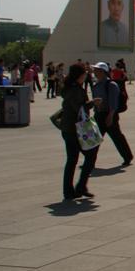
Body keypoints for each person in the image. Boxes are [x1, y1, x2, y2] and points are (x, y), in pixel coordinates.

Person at [60, 64, 101, 200]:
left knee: (73, 159)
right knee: (88, 156)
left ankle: (72, 189)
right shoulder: (75, 90)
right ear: (80, 75)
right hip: (76, 129)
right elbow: (78, 108)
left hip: (69, 128)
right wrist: (92, 103)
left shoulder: (71, 88)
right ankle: (78, 187)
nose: (86, 76)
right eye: (85, 73)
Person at [91, 62, 134, 166]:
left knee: (117, 137)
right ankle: (90, 161)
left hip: (109, 114)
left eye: (97, 70)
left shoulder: (111, 85)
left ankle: (127, 157)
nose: (94, 72)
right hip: (99, 115)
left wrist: (110, 116)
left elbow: (113, 102)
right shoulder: (96, 85)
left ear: (103, 72)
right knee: (94, 139)